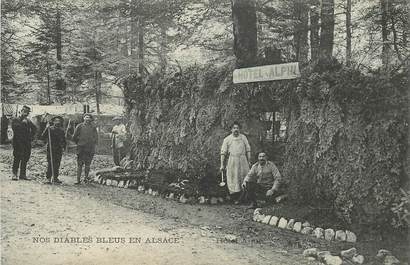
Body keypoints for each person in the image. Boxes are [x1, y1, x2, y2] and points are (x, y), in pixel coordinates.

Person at [220, 121, 251, 203]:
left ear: (239, 129)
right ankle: (234, 198)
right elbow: (223, 152)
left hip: (243, 160)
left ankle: (244, 197)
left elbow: (248, 149)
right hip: (232, 161)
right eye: (234, 128)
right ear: (231, 129)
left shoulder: (243, 137)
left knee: (243, 177)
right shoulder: (227, 139)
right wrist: (222, 165)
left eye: (237, 128)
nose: (236, 129)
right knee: (233, 178)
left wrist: (249, 161)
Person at [11, 105, 37, 181]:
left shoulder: (28, 121)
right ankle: (14, 174)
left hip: (26, 143)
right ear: (21, 111)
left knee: (25, 158)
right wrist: (23, 123)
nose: (26, 114)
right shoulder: (15, 119)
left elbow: (35, 129)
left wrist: (31, 137)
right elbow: (15, 128)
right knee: (17, 157)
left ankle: (22, 174)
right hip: (18, 142)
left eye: (27, 112)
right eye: (24, 112)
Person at [72, 113, 98, 184]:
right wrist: (79, 142)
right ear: (83, 118)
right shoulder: (79, 126)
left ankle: (86, 178)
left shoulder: (93, 127)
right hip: (81, 148)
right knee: (80, 164)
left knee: (88, 164)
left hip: (90, 148)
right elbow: (74, 137)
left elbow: (96, 138)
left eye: (89, 118)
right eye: (86, 117)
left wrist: (92, 142)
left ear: (90, 119)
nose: (87, 119)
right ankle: (78, 180)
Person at [41, 116, 66, 184]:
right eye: (56, 121)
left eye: (59, 121)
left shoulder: (61, 130)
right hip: (51, 148)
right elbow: (43, 136)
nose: (57, 122)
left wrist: (64, 146)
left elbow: (63, 140)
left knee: (57, 163)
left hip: (58, 148)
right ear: (53, 121)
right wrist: (46, 128)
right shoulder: (50, 129)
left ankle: (55, 177)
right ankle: (48, 178)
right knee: (50, 162)